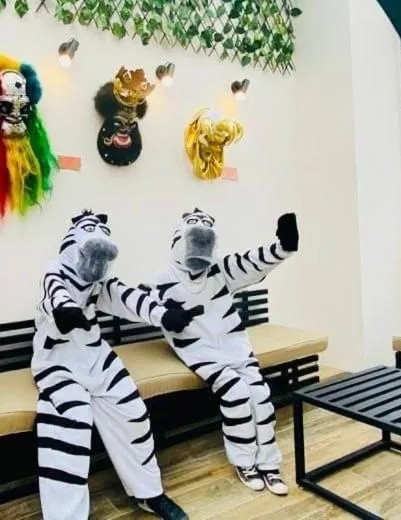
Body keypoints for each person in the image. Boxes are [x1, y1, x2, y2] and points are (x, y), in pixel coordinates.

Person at [32, 210, 198, 520]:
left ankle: (149, 493)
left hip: (95, 355)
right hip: (57, 361)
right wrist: (66, 312)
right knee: (71, 425)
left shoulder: (98, 282)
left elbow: (125, 297)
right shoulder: (53, 270)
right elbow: (53, 295)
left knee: (133, 414)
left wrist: (163, 315)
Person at [145, 209, 299, 495]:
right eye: (194, 224)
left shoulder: (218, 268)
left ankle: (268, 462)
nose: (201, 231)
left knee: (260, 395)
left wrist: (283, 247)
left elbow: (250, 263)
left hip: (234, 344)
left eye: (207, 226)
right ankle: (245, 462)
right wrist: (165, 316)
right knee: (236, 394)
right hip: (199, 350)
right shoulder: (163, 276)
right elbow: (148, 307)